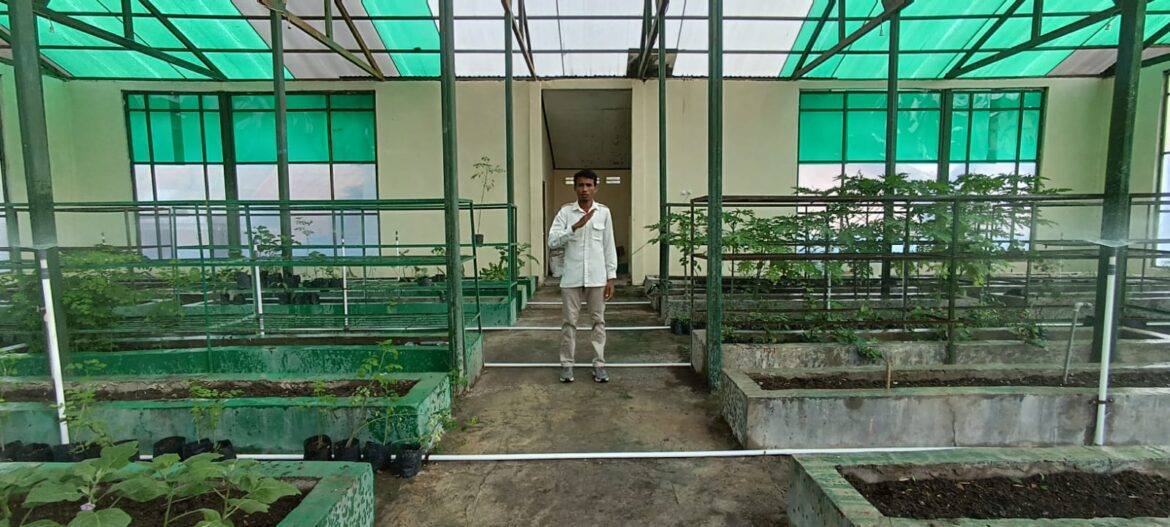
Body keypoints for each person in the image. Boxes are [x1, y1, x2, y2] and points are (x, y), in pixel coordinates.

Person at [547, 169, 617, 383]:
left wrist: (611, 277)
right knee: (569, 323)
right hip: (572, 278)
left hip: (597, 277)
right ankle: (567, 365)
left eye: (589, 185)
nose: (585, 189)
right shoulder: (566, 213)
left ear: (595, 187)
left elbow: (608, 245)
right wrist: (574, 228)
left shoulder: (604, 212)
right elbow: (552, 242)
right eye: (581, 185)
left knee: (598, 322)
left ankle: (599, 364)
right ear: (574, 187)